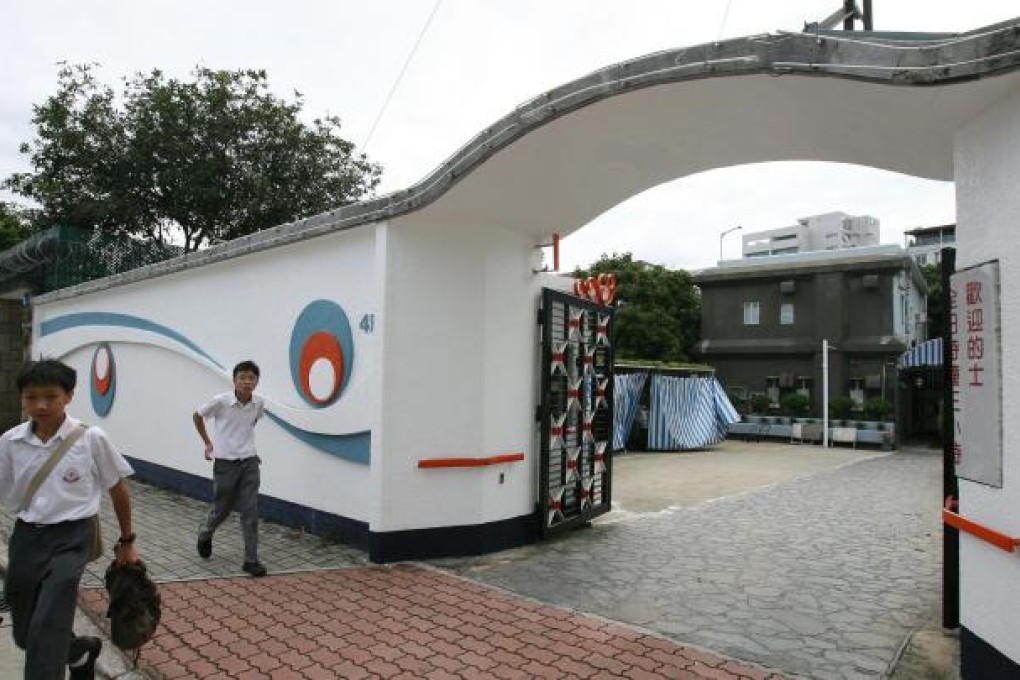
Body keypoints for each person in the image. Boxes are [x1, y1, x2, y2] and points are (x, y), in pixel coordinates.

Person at [0, 359, 140, 680]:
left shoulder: (91, 439)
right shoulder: (10, 442)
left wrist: (128, 541)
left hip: (74, 537)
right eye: (31, 397)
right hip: (26, 536)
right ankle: (79, 651)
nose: (41, 405)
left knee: (49, 620)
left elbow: (118, 489)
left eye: (50, 396)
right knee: (25, 632)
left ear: (69, 395)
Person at [193, 360, 267, 577]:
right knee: (222, 509)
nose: (247, 382)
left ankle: (251, 560)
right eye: (242, 377)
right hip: (225, 464)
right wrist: (208, 443)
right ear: (234, 380)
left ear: (256, 382)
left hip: (250, 462)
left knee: (250, 510)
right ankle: (205, 533)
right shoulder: (221, 401)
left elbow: (250, 425)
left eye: (251, 378)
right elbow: (197, 416)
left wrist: (245, 448)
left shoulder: (258, 404)